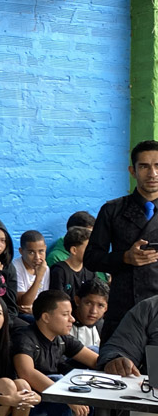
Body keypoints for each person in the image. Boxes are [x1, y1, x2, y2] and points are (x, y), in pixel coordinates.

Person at [12, 290, 98, 416]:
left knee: (96, 352)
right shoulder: (25, 337)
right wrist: (66, 396)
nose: (73, 319)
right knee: (58, 381)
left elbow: (97, 361)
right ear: (46, 317)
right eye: (66, 315)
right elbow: (25, 372)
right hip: (21, 409)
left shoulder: (61, 339)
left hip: (50, 402)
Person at [85, 140, 158, 343]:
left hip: (157, 307)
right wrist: (125, 257)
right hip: (124, 307)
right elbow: (91, 258)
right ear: (132, 171)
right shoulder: (113, 210)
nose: (152, 173)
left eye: (157, 166)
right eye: (144, 166)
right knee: (118, 369)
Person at [49, 226, 93, 300]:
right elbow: (58, 301)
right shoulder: (59, 271)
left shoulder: (90, 270)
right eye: (88, 248)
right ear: (74, 250)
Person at [13, 230, 49, 316]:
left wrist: (36, 310)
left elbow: (45, 299)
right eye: (31, 252)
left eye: (41, 251)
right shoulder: (15, 268)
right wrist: (39, 277)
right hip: (21, 314)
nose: (37, 257)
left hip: (37, 312)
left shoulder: (45, 268)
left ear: (45, 249)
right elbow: (24, 304)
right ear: (21, 251)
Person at [71, 278, 109, 350]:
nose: (93, 311)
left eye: (100, 305)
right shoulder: (63, 324)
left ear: (106, 308)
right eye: (88, 303)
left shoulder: (104, 329)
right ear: (77, 301)